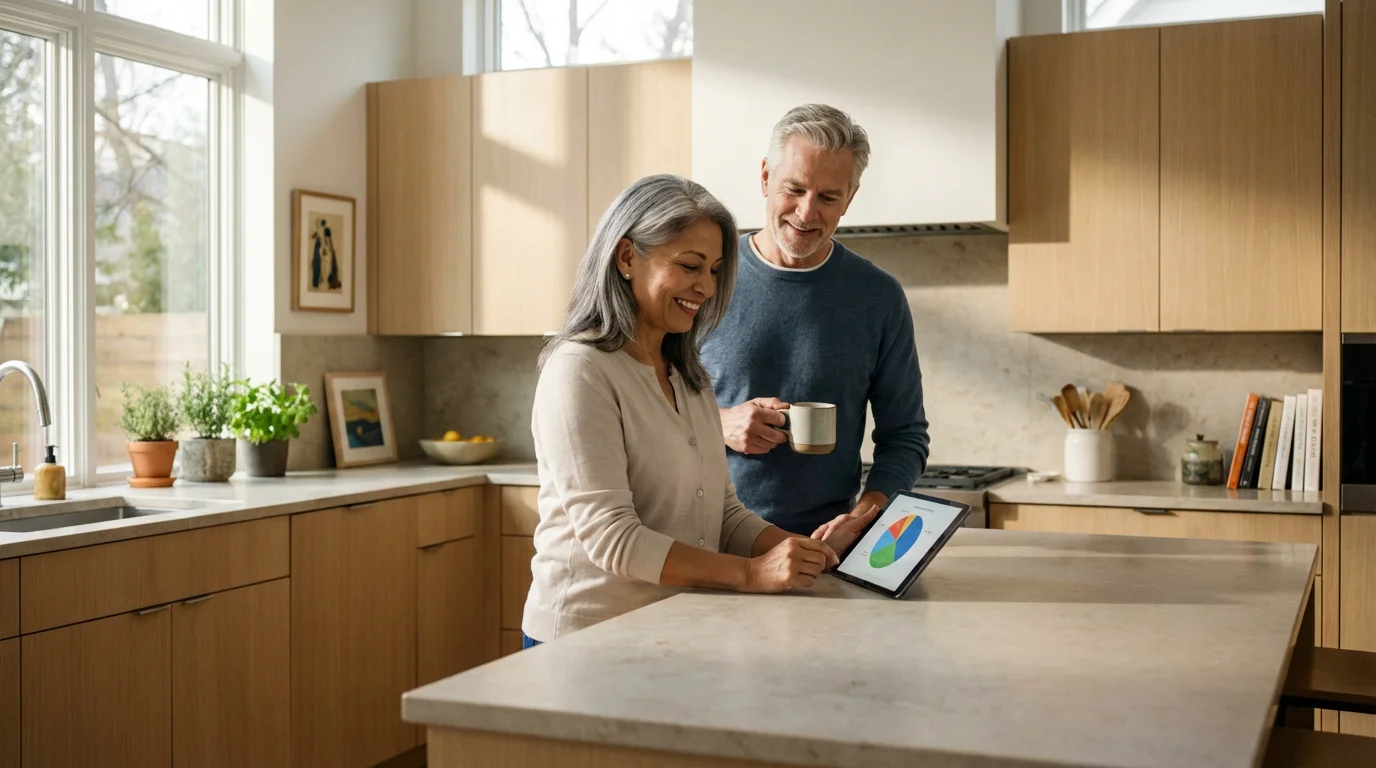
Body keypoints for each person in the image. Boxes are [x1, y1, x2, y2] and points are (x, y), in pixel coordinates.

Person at [522, 174, 877, 646]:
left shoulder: (686, 374)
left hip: (675, 628)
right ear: (627, 257)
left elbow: (723, 514)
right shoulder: (580, 370)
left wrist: (810, 553)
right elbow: (614, 538)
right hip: (587, 637)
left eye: (713, 269)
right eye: (690, 266)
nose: (706, 287)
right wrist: (752, 574)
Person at [702, 104, 931, 537]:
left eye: (828, 197)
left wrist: (863, 519)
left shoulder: (878, 297)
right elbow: (642, 413)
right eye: (795, 189)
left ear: (851, 197)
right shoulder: (705, 275)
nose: (807, 213)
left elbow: (905, 437)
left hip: (821, 550)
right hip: (705, 540)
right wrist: (719, 422)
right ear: (766, 177)